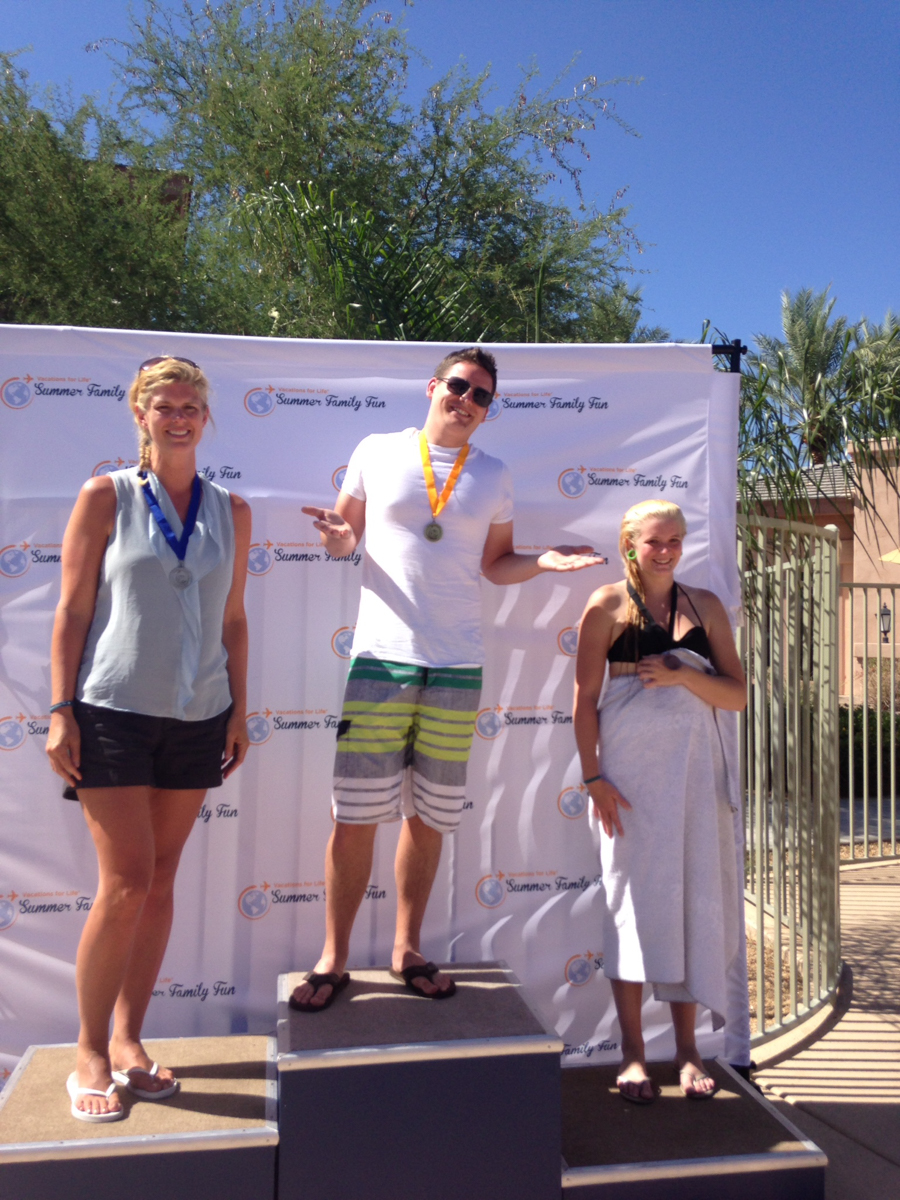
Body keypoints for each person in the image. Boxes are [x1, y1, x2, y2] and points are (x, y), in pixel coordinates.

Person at [292, 347, 604, 1011]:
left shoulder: (493, 474)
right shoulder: (377, 450)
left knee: (429, 817)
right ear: (433, 386)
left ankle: (407, 949)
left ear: (489, 411)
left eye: (481, 395)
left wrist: (542, 562)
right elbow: (344, 536)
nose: (466, 400)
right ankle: (333, 957)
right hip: (380, 660)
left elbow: (496, 563)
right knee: (354, 816)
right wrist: (338, 539)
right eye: (459, 386)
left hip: (457, 665)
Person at [45, 355, 251, 1122]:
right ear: (140, 415)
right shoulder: (105, 495)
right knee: (126, 882)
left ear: (206, 417)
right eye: (165, 406)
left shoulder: (233, 509)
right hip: (112, 709)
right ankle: (89, 1051)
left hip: (200, 713)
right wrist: (60, 709)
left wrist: (238, 711)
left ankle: (130, 1041)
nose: (179, 417)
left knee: (160, 883)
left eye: (191, 406)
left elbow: (234, 620)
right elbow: (71, 610)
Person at [573, 498, 747, 1104]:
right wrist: (594, 779)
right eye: (653, 541)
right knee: (630, 906)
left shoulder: (707, 606)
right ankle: (632, 1054)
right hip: (628, 786)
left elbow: (736, 695)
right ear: (630, 543)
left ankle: (689, 1050)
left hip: (695, 781)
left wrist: (683, 676)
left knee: (689, 902)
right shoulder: (605, 606)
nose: (666, 550)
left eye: (674, 540)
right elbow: (584, 701)